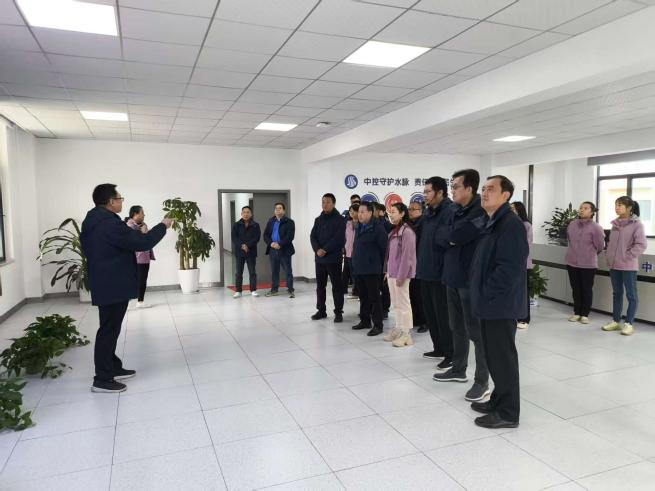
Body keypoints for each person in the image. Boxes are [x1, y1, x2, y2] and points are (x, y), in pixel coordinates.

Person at [81, 184, 171, 393]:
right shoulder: (108, 224)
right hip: (112, 283)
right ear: (110, 201)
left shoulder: (93, 219)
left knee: (110, 328)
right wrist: (163, 225)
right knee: (108, 331)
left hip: (106, 280)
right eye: (120, 198)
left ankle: (112, 367)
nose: (122, 201)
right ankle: (102, 379)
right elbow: (143, 242)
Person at [469, 175, 528, 429]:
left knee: (503, 358)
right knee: (493, 357)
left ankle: (508, 413)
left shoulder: (511, 224)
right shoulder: (493, 221)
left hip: (500, 304)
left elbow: (509, 269)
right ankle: (497, 400)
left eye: (491, 189)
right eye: (483, 189)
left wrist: (486, 292)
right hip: (489, 303)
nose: (484, 193)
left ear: (506, 195)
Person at [437, 169, 489, 403]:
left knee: (476, 332)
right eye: (452, 186)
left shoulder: (480, 211)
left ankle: (482, 381)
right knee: (456, 326)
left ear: (469, 188)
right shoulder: (453, 209)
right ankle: (458, 369)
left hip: (470, 280)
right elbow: (441, 235)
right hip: (452, 277)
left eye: (456, 186)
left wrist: (451, 236)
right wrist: (451, 236)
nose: (453, 190)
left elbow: (458, 236)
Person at [417, 176, 454, 371]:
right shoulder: (429, 212)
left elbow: (446, 240)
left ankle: (451, 354)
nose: (425, 195)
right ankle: (438, 347)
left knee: (443, 316)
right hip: (425, 270)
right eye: (424, 191)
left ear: (440, 192)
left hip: (440, 273)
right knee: (431, 314)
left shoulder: (449, 211)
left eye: (428, 191)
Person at [602, 196, 647, 336]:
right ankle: (616, 321)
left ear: (629, 208)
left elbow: (641, 244)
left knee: (631, 295)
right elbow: (611, 243)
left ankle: (629, 323)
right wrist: (609, 255)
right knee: (617, 293)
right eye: (616, 205)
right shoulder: (615, 224)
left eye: (620, 205)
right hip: (614, 265)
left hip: (628, 266)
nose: (617, 208)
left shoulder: (637, 224)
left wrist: (626, 256)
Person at [351, 201, 388, 336]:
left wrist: (383, 268)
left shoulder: (377, 228)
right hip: (359, 268)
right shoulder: (360, 226)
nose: (359, 214)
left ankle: (378, 325)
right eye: (359, 212)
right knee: (363, 296)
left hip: (372, 269)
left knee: (374, 298)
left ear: (370, 213)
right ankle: (365, 320)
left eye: (362, 212)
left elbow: (384, 249)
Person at [565, 201, 605, 324]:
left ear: (592, 212)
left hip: (588, 264)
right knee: (575, 289)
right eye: (581, 207)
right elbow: (569, 240)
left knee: (586, 289)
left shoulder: (596, 227)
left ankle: (585, 314)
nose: (582, 210)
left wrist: (588, 254)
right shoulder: (572, 224)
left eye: (586, 208)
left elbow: (600, 246)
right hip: (572, 262)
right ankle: (577, 312)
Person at [383, 202, 417, 347]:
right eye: (389, 212)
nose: (390, 214)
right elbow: (390, 255)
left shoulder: (407, 232)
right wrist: (387, 271)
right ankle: (398, 328)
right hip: (392, 273)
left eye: (394, 212)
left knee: (404, 304)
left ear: (402, 213)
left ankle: (406, 334)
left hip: (401, 274)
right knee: (396, 303)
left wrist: (401, 276)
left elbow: (407, 257)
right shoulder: (394, 231)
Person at [310, 193, 346, 322]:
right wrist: (317, 249)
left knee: (337, 286)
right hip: (319, 259)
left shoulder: (340, 220)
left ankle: (338, 312)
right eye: (323, 202)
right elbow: (312, 236)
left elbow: (339, 238)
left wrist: (325, 249)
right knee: (320, 286)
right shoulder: (318, 220)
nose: (325, 204)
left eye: (328, 202)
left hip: (333, 258)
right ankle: (321, 310)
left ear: (334, 203)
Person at [125, 205, 155, 309]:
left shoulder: (140, 225)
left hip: (143, 257)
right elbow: (137, 239)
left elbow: (146, 237)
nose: (144, 215)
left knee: (141, 280)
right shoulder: (129, 226)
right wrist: (144, 232)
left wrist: (146, 231)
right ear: (135, 214)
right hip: (138, 257)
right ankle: (139, 302)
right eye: (142, 213)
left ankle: (139, 301)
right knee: (140, 280)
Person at [263, 202, 295, 298]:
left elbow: (290, 236)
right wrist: (271, 243)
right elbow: (265, 235)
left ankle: (290, 290)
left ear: (284, 210)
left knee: (288, 271)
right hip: (273, 250)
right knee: (274, 271)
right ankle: (274, 290)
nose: (278, 210)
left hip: (284, 250)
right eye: (276, 208)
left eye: (280, 208)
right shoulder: (271, 221)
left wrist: (280, 244)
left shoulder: (289, 222)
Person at [511, 201, 533, 330]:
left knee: (523, 292)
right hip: (511, 264)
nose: (511, 211)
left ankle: (524, 318)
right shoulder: (510, 224)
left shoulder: (526, 225)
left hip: (522, 264)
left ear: (519, 210)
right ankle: (514, 315)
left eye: (513, 209)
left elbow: (527, 245)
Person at [231, 206, 261, 298]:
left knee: (252, 272)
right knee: (239, 272)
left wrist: (247, 245)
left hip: (251, 251)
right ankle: (238, 291)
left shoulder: (255, 225)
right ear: (241, 214)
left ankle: (253, 290)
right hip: (240, 252)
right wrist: (242, 245)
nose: (246, 214)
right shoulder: (236, 225)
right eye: (244, 212)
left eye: (248, 212)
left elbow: (257, 238)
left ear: (251, 214)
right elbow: (234, 238)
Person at [408, 201, 426, 333]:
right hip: (410, 264)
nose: (410, 211)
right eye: (409, 209)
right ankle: (416, 318)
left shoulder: (423, 224)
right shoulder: (409, 224)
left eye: (413, 209)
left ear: (421, 211)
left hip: (420, 263)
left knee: (421, 295)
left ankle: (425, 321)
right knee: (412, 293)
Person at [343, 203, 360, 299]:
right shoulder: (348, 223)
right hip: (348, 252)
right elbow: (346, 237)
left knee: (357, 273)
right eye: (350, 212)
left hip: (358, 253)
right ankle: (355, 291)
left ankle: (357, 292)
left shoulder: (362, 223)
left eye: (353, 211)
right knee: (352, 273)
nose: (351, 213)